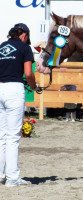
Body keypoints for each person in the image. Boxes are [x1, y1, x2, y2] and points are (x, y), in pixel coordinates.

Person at [0, 23, 40, 187]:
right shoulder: (24, 48)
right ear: (24, 35)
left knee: (2, 135)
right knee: (13, 137)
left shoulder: (1, 47)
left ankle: (1, 174)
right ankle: (12, 178)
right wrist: (34, 86)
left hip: (0, 87)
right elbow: (28, 73)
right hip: (14, 90)